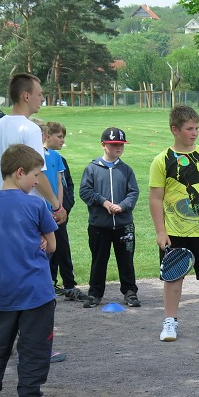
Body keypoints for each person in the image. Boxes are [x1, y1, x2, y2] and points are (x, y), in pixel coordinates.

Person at [0, 143, 59, 397]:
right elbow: (52, 245)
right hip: (36, 292)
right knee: (34, 350)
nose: (37, 181)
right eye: (35, 175)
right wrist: (41, 241)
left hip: (2, 294)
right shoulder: (36, 204)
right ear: (20, 172)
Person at [0, 73, 66, 351]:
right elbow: (36, 174)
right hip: (27, 209)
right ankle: (35, 343)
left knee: (2, 269)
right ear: (26, 96)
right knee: (34, 269)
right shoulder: (28, 129)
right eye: (40, 93)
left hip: (0, 206)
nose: (43, 98)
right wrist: (55, 204)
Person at [149, 106, 199, 342]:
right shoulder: (162, 160)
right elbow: (155, 198)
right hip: (174, 231)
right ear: (175, 130)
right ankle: (170, 322)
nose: (194, 133)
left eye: (196, 128)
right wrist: (160, 231)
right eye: (189, 129)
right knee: (172, 277)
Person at [79, 127, 140, 309]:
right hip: (99, 225)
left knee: (126, 260)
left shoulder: (126, 170)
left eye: (121, 144)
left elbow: (133, 192)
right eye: (114, 144)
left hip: (124, 225)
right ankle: (95, 293)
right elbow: (85, 191)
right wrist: (103, 202)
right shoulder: (92, 168)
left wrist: (122, 206)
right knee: (99, 260)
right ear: (104, 145)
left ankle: (130, 292)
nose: (118, 148)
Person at [44, 122, 85, 302]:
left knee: (62, 248)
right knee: (45, 250)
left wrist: (61, 208)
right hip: (42, 212)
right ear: (47, 135)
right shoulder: (36, 158)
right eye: (59, 137)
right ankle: (46, 285)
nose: (62, 140)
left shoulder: (58, 158)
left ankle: (69, 285)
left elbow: (64, 185)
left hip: (58, 213)